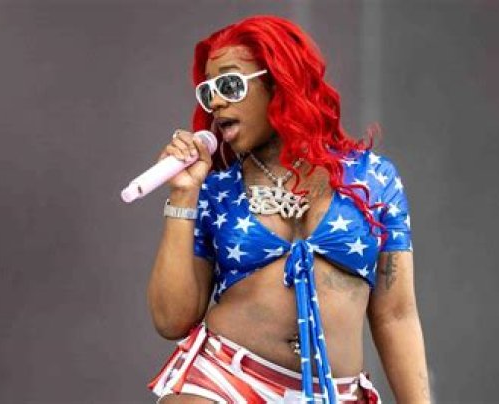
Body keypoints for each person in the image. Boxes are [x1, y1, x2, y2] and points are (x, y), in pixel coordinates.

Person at [146, 15, 430, 403]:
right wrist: (182, 196)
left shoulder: (373, 179)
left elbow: (396, 315)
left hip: (334, 393)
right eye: (207, 91)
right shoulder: (214, 189)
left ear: (280, 81)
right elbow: (171, 320)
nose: (215, 101)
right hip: (226, 380)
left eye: (229, 85)